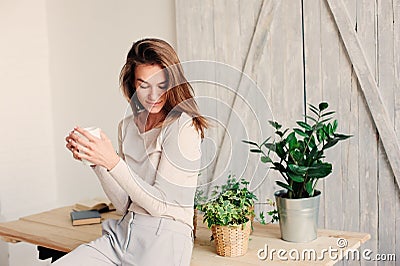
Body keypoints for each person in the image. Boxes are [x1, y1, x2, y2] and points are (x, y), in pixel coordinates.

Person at [58, 38, 207, 265]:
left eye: (161, 85)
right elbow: (124, 204)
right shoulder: (127, 126)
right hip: (122, 235)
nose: (153, 95)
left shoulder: (183, 127)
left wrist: (113, 161)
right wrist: (96, 161)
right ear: (132, 84)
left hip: (164, 238)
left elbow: (160, 205)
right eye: (143, 85)